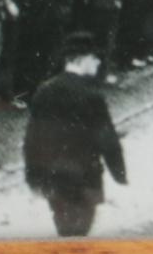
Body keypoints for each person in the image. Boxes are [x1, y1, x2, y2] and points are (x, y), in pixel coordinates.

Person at [22, 34, 129, 237]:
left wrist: (33, 177)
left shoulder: (45, 91)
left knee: (64, 228)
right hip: (85, 178)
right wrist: (119, 174)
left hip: (54, 179)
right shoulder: (92, 95)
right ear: (82, 59)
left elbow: (32, 139)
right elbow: (108, 140)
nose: (98, 62)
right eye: (94, 57)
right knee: (81, 231)